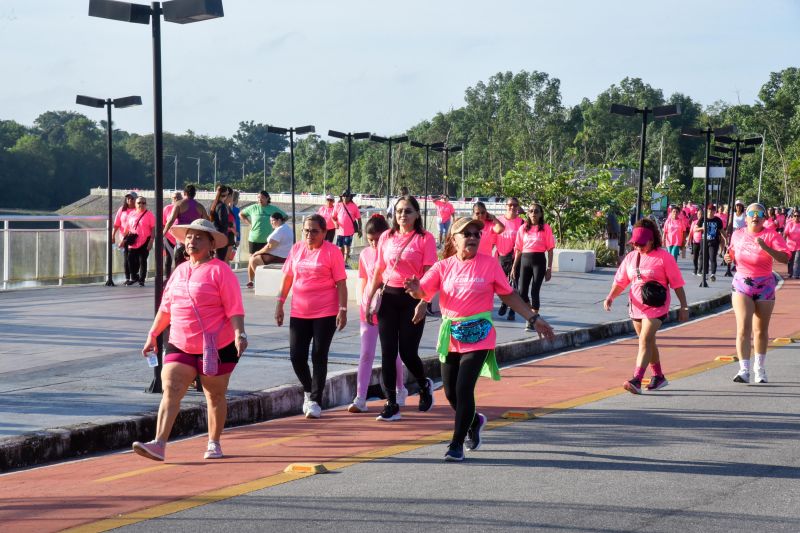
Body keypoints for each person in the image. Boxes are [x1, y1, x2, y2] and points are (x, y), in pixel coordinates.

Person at [404, 217, 555, 461]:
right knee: (451, 392)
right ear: (454, 239)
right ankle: (474, 421)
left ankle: (455, 444)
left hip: (480, 334)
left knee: (464, 388)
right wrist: (415, 290)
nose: (473, 237)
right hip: (451, 333)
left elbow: (509, 296)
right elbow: (424, 290)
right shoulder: (444, 267)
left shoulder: (489, 264)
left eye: (477, 233)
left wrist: (534, 318)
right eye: (467, 233)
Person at [132, 219, 247, 461]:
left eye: (199, 237)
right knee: (171, 388)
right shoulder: (180, 270)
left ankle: (214, 442)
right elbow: (166, 308)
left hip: (217, 345)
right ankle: (159, 443)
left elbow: (234, 307)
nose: (192, 241)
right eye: (189, 237)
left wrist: (239, 333)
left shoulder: (220, 270)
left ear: (211, 244)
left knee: (214, 395)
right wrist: (152, 335)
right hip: (180, 342)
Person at [365, 195, 437, 422]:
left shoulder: (425, 239)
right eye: (398, 211)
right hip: (388, 297)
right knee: (387, 352)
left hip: (413, 299)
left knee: (407, 351)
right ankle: (391, 403)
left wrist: (423, 302)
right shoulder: (386, 236)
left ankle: (424, 384)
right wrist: (369, 300)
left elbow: (430, 274)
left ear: (417, 214)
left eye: (407, 211)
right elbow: (379, 269)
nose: (402, 215)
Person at [604, 219, 689, 394]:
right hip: (636, 305)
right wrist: (610, 297)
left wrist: (684, 307)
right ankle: (659, 376)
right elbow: (621, 281)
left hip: (657, 305)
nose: (638, 246)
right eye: (634, 243)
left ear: (652, 240)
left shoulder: (664, 257)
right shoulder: (631, 257)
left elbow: (677, 284)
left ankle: (637, 379)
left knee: (644, 340)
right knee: (648, 341)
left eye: (641, 243)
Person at [275, 214, 347, 419]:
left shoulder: (332, 252)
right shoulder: (297, 249)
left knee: (318, 355)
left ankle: (315, 400)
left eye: (315, 231)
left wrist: (342, 310)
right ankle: (308, 390)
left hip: (326, 311)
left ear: (324, 232)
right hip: (299, 311)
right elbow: (287, 277)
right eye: (306, 230)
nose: (309, 234)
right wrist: (279, 303)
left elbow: (341, 283)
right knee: (296, 356)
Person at [348, 215, 408, 413]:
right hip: (369, 308)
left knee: (392, 354)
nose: (374, 243)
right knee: (366, 353)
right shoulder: (365, 254)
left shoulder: (392, 252)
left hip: (389, 307)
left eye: (377, 239)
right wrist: (362, 303)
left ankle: (400, 389)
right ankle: (360, 398)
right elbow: (363, 280)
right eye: (370, 239)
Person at [724, 203, 789, 383]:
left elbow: (785, 258)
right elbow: (730, 253)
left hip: (765, 284)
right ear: (746, 217)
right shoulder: (738, 234)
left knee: (760, 330)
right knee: (743, 328)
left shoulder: (771, 235)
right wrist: (727, 257)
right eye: (751, 213)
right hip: (742, 283)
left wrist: (766, 247)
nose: (755, 216)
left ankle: (759, 369)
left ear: (764, 217)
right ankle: (744, 370)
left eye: (759, 213)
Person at [512, 202, 555, 322]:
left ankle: (532, 320)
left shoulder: (546, 228)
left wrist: (549, 269)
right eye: (530, 211)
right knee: (522, 293)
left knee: (535, 291)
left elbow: (550, 249)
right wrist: (514, 267)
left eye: (536, 211)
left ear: (541, 214)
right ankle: (533, 315)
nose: (533, 213)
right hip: (525, 261)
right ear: (528, 214)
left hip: (539, 261)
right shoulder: (523, 228)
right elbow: (518, 249)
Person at [494, 198, 525, 320]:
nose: (512, 207)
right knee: (502, 284)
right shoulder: (499, 220)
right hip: (502, 256)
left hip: (516, 256)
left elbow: (524, 240)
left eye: (515, 205)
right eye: (510, 205)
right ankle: (504, 303)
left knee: (514, 284)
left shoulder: (522, 222)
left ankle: (512, 310)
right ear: (506, 206)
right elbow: (493, 239)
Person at [164, 184, 209, 268]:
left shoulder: (178, 204)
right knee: (193, 257)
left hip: (182, 236)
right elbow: (207, 222)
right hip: (196, 236)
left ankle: (181, 275)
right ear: (194, 194)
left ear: (184, 193)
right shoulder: (200, 207)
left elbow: (170, 221)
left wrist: (163, 233)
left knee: (179, 258)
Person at [246, 212, 293, 288]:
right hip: (284, 255)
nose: (271, 223)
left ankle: (262, 280)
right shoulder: (286, 228)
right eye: (270, 221)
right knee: (253, 257)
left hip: (278, 256)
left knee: (253, 259)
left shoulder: (279, 230)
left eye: (273, 220)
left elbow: (269, 247)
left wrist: (257, 252)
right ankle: (251, 281)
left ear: (279, 220)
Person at [240, 191, 287, 258]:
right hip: (254, 239)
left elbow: (285, 217)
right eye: (258, 197)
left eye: (262, 197)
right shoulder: (253, 208)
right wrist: (249, 223)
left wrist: (277, 226)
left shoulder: (273, 209)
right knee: (252, 258)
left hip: (267, 240)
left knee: (265, 260)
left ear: (267, 198)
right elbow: (241, 214)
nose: (260, 199)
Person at [124, 196, 156, 286]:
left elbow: (153, 229)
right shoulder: (131, 214)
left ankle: (142, 279)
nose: (141, 204)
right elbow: (127, 228)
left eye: (143, 203)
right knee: (130, 259)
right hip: (133, 240)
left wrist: (151, 241)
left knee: (142, 260)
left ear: (146, 204)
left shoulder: (149, 215)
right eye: (139, 203)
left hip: (145, 240)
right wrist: (123, 239)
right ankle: (133, 277)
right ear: (135, 204)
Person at [693, 204, 726, 281]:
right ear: (706, 210)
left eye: (712, 210)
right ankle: (706, 273)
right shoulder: (703, 219)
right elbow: (695, 229)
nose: (710, 211)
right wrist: (702, 228)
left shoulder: (718, 220)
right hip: (704, 241)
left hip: (714, 241)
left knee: (713, 257)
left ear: (714, 211)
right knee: (705, 258)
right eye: (709, 210)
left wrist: (726, 240)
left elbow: (722, 231)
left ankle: (713, 274)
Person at [112, 192, 137, 285]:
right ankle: (128, 277)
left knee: (135, 258)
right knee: (127, 257)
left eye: (132, 198)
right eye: (128, 198)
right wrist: (113, 235)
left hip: (135, 235)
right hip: (124, 236)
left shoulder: (138, 209)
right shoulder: (122, 210)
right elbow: (116, 223)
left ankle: (134, 275)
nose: (129, 200)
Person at [332, 190, 361, 262]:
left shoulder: (354, 206)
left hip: (349, 231)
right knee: (339, 248)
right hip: (340, 231)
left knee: (347, 247)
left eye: (346, 196)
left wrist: (360, 229)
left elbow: (359, 219)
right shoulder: (338, 205)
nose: (345, 197)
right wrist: (335, 222)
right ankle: (341, 261)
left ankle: (345, 262)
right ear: (341, 197)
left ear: (350, 197)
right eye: (343, 196)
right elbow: (333, 217)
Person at [209, 185, 232, 261]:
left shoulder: (214, 204)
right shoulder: (221, 206)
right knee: (220, 259)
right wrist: (231, 224)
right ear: (225, 195)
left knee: (214, 258)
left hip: (214, 233)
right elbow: (223, 222)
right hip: (221, 235)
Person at [163, 191, 182, 278]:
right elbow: (163, 223)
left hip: (181, 237)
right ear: (171, 199)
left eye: (178, 197)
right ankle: (167, 277)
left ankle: (179, 276)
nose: (176, 199)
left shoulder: (184, 208)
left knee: (179, 258)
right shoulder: (167, 208)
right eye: (174, 197)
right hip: (169, 237)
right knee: (168, 258)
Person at [784, 208, 800, 278]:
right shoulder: (789, 224)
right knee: (790, 260)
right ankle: (790, 273)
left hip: (799, 246)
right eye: (795, 216)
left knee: (797, 260)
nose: (796, 217)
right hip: (790, 246)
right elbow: (785, 234)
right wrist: (782, 244)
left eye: (798, 216)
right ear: (792, 216)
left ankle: (796, 274)